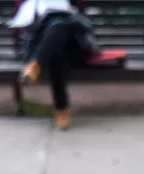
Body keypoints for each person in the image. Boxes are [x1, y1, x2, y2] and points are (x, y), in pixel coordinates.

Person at [12, 0, 98, 131]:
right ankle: (61, 108)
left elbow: (80, 17)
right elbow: (20, 28)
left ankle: (36, 66)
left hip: (73, 45)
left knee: (59, 24)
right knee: (54, 49)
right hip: (42, 44)